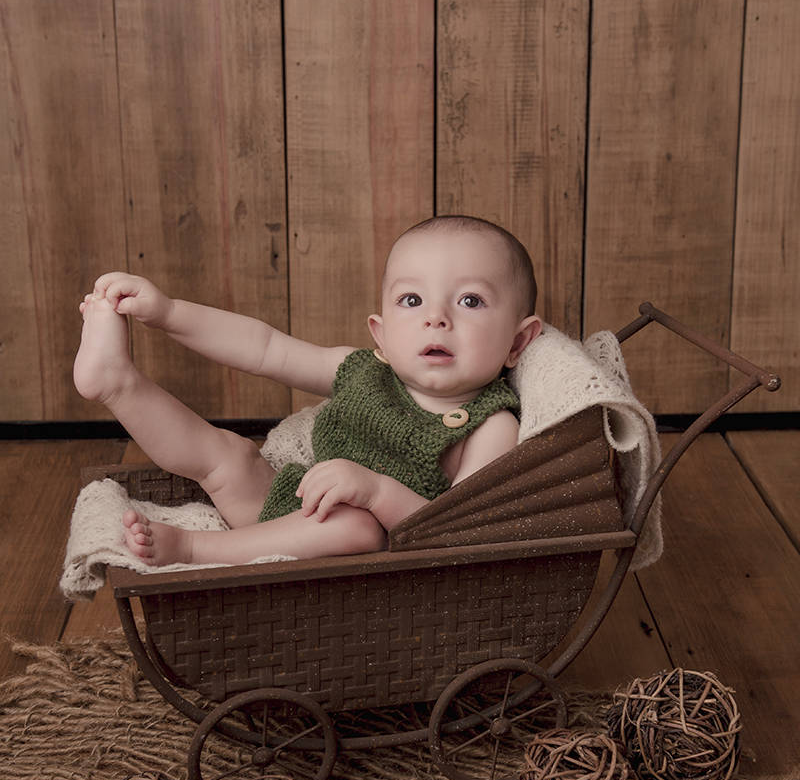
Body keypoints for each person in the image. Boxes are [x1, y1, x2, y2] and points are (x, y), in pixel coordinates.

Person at [73, 215, 542, 567]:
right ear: (381, 333)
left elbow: (456, 535)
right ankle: (119, 384)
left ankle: (196, 547)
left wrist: (377, 493)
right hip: (288, 502)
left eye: (470, 301)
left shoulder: (492, 426)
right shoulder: (362, 369)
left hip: (365, 549)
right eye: (412, 300)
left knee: (354, 525)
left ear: (517, 342)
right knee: (230, 456)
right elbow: (265, 348)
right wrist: (170, 313)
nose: (436, 317)